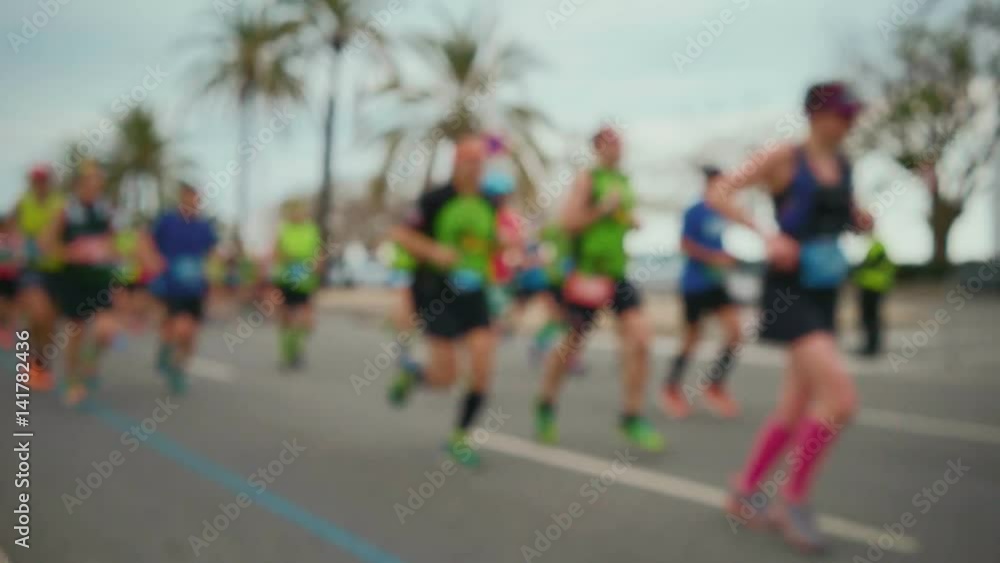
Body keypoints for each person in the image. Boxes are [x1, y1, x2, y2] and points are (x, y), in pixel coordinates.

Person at [708, 81, 871, 552]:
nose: (850, 123)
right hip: (789, 291)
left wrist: (861, 220)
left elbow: (843, 212)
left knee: (795, 406)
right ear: (817, 114)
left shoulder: (844, 164)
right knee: (840, 401)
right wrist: (765, 234)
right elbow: (720, 191)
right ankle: (793, 500)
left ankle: (745, 490)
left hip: (825, 290)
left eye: (853, 115)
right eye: (843, 114)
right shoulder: (783, 157)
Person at [534, 126, 664, 452]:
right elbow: (567, 222)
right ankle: (546, 403)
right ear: (597, 148)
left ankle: (631, 416)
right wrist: (601, 210)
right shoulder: (587, 179)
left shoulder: (623, 181)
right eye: (611, 143)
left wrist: (630, 220)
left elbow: (620, 217)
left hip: (616, 273)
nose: (618, 147)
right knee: (572, 344)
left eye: (620, 142)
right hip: (587, 275)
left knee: (641, 340)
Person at [387, 134, 499, 468]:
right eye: (469, 161)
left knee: (482, 366)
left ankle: (459, 437)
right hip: (438, 293)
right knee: (446, 376)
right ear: (456, 163)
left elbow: (488, 242)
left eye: (480, 162)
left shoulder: (489, 202)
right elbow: (400, 234)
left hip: (475, 293)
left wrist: (506, 244)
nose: (475, 168)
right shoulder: (435, 199)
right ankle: (414, 375)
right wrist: (433, 250)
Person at [38, 161, 123, 406]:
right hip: (74, 280)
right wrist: (70, 253)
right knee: (76, 332)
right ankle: (72, 380)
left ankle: (89, 364)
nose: (93, 186)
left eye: (97, 182)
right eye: (88, 182)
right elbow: (45, 243)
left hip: (99, 280)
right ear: (78, 185)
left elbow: (114, 243)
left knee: (107, 331)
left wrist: (110, 252)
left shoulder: (106, 211)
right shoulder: (66, 211)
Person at [661, 166, 743, 419]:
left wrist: (728, 257)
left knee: (736, 333)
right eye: (720, 184)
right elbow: (684, 245)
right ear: (709, 185)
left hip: (716, 284)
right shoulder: (694, 211)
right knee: (692, 338)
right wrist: (714, 257)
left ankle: (715, 386)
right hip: (694, 284)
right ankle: (671, 388)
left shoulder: (724, 211)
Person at [150, 183, 217, 394]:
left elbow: (212, 253)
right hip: (172, 286)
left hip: (196, 288)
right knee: (179, 327)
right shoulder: (167, 221)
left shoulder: (204, 226)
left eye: (196, 200)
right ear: (182, 199)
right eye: (189, 199)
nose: (193, 203)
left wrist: (213, 276)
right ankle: (173, 363)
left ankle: (177, 364)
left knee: (191, 333)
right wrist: (154, 263)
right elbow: (146, 241)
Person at [15, 164, 64, 390]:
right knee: (38, 313)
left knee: (49, 322)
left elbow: (57, 232)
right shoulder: (23, 204)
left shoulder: (60, 204)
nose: (40, 185)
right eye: (37, 181)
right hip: (32, 268)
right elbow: (14, 232)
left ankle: (42, 362)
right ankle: (32, 361)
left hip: (57, 269)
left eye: (44, 180)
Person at [272, 200, 323, 370]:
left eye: (302, 211)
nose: (299, 214)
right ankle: (286, 351)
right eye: (296, 211)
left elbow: (318, 254)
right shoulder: (284, 229)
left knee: (305, 318)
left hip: (306, 281)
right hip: (286, 279)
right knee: (286, 316)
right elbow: (277, 252)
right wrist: (287, 258)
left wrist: (317, 271)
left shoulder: (311, 230)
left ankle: (296, 349)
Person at [853, 237, 894, 356]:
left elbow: (867, 265)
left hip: (871, 287)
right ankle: (872, 345)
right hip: (874, 286)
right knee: (872, 317)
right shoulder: (876, 246)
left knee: (870, 318)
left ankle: (871, 346)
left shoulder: (876, 247)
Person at [0, 213, 23, 349]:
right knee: (3, 303)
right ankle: (4, 328)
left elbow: (19, 258)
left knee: (12, 304)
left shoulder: (14, 238)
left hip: (12, 277)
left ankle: (10, 327)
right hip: (2, 277)